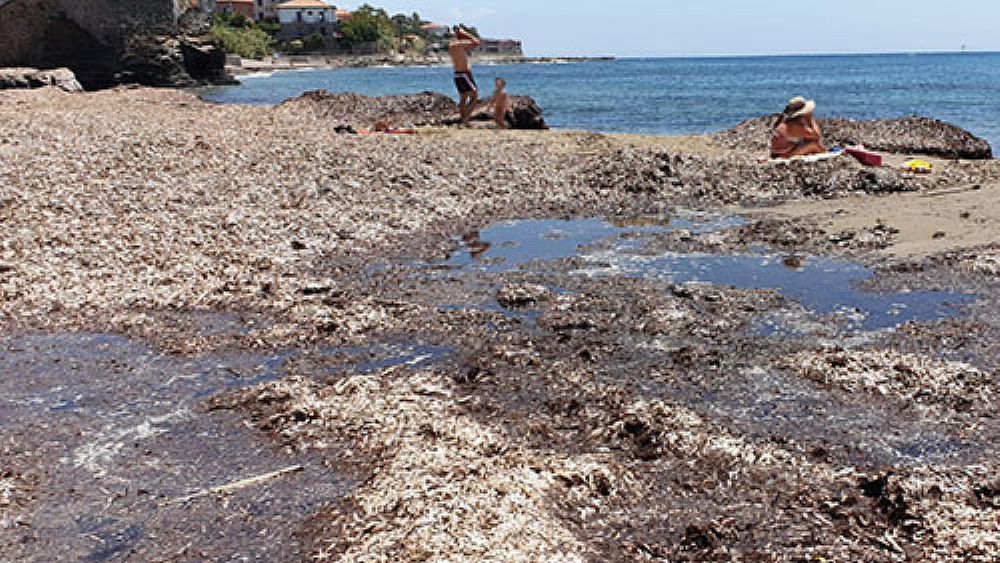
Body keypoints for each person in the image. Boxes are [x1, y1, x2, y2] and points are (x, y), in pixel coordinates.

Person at [449, 26, 481, 126]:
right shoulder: (459, 44)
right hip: (464, 74)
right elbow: (476, 41)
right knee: (474, 97)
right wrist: (465, 32)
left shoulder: (453, 45)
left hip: (457, 74)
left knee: (463, 98)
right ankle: (465, 120)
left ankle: (463, 120)